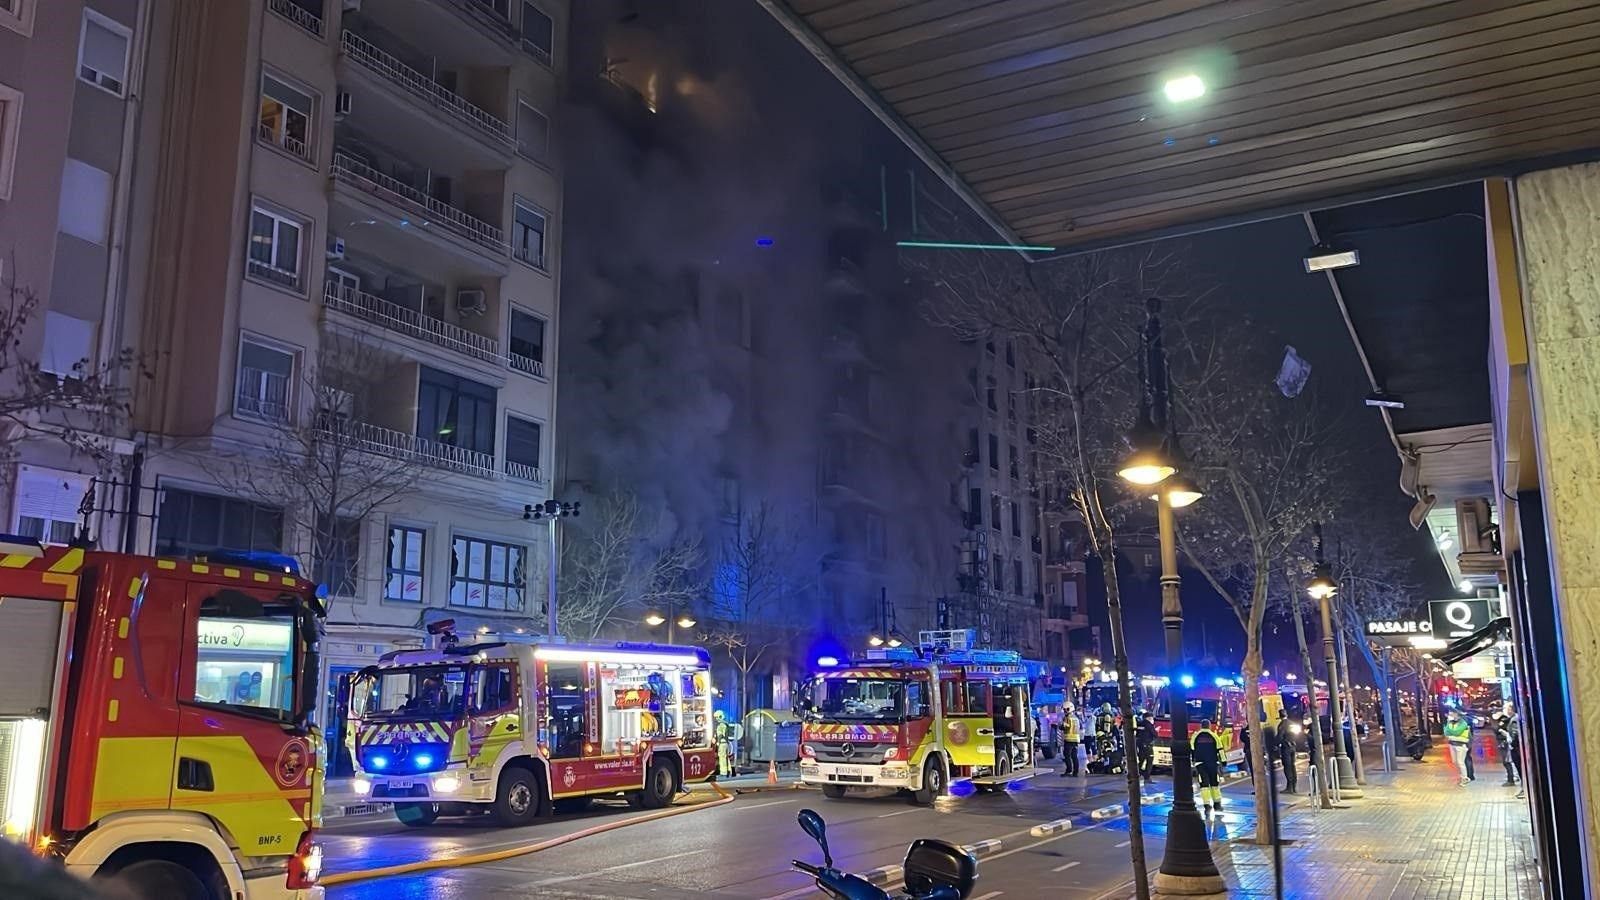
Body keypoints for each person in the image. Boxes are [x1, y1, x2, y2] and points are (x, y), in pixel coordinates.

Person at [1192, 717, 1223, 813]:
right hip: (1213, 763)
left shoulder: (1195, 736)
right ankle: (1217, 805)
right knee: (1215, 783)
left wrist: (1193, 761)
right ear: (1209, 726)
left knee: (1204, 785)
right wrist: (1224, 761)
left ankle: (1207, 805)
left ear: (1201, 726)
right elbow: (1220, 749)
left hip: (1200, 764)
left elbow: (1192, 749)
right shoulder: (1214, 736)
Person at [1494, 703, 1521, 787]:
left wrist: (1506, 736)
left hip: (1511, 745)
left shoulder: (1512, 719)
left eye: (1506, 708)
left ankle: (1513, 780)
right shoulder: (1509, 719)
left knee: (1509, 762)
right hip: (1508, 744)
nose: (1505, 710)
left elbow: (1514, 735)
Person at [1444, 709, 1473, 786]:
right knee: (1455, 762)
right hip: (1452, 744)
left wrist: (1451, 732)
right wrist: (1448, 723)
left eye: (1451, 714)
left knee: (1460, 762)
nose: (1450, 716)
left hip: (1461, 744)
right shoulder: (1450, 722)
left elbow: (1457, 732)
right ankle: (1463, 776)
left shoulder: (1463, 723)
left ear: (1456, 714)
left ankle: (1465, 778)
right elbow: (1446, 732)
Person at [1275, 709, 1298, 793]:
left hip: (1286, 748)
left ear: (1280, 716)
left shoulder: (1282, 725)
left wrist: (1275, 745)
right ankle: (1294, 786)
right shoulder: (1292, 723)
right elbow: (1296, 734)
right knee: (1293, 766)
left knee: (1287, 767)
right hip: (1293, 747)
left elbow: (1280, 737)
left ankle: (1289, 787)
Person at [1060, 704, 1081, 777]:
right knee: (1074, 756)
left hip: (1069, 739)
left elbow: (1065, 727)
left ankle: (1069, 770)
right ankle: (1076, 772)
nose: (1065, 711)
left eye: (1066, 709)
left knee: (1067, 756)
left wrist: (1061, 725)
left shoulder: (1068, 718)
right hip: (1075, 740)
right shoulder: (1076, 718)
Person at [1135, 709, 1156, 780]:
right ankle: (1146, 776)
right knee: (1149, 760)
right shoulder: (1149, 724)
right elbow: (1155, 734)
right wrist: (1156, 731)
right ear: (1149, 718)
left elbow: (1137, 734)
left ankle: (1136, 773)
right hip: (1147, 745)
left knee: (1141, 760)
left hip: (1140, 745)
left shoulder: (1139, 724)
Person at [714, 709, 733, 778]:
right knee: (726, 758)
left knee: (722, 758)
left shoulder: (720, 726)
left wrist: (718, 743)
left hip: (722, 743)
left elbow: (720, 735)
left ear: (720, 716)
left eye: (716, 717)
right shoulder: (726, 724)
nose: (716, 719)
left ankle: (723, 773)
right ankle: (729, 771)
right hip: (726, 743)